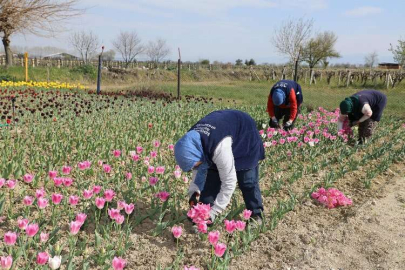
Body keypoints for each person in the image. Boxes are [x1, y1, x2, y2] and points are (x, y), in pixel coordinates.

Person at [174, 110, 265, 223]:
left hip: (244, 136)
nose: (196, 168)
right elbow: (198, 168)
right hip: (221, 135)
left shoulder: (219, 147)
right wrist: (194, 192)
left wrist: (214, 212)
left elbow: (230, 182)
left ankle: (256, 214)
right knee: (210, 183)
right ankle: (201, 216)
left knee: (248, 181)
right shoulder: (191, 142)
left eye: (195, 164)